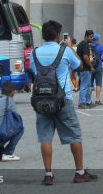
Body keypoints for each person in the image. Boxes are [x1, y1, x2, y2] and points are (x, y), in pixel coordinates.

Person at [31, 20, 98, 185]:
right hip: (63, 100)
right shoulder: (65, 51)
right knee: (74, 135)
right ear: (58, 35)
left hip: (41, 100)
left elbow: (34, 74)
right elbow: (80, 67)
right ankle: (79, 173)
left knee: (45, 138)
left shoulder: (34, 53)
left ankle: (48, 174)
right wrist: (68, 47)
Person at [76, 30, 96, 109]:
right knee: (84, 86)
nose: (92, 38)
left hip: (82, 68)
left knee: (87, 85)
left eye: (92, 37)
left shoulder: (81, 44)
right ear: (86, 36)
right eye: (91, 37)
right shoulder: (85, 44)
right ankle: (81, 102)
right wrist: (91, 66)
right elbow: (85, 57)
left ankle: (88, 102)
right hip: (85, 68)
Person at [90, 33, 103, 106]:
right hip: (98, 66)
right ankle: (97, 100)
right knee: (98, 84)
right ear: (98, 39)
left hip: (90, 67)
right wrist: (101, 60)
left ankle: (88, 100)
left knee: (89, 84)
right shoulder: (100, 46)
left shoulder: (88, 46)